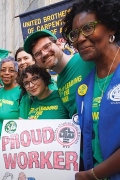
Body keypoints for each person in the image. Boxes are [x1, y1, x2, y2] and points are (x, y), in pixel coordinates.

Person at [62, 0, 120, 179]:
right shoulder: (83, 89)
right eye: (74, 34)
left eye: (88, 28)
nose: (80, 39)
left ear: (111, 28)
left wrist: (92, 175)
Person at [23, 29, 95, 118]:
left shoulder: (85, 60)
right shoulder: (60, 82)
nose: (44, 54)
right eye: (38, 54)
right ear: (36, 62)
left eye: (47, 46)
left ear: (59, 44)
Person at [0, 56, 20, 159]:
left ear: (16, 74)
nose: (7, 73)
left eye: (11, 70)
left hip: (15, 152)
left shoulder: (22, 93)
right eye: (3, 70)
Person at [14, 47, 57, 119]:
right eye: (19, 60)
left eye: (26, 58)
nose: (22, 62)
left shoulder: (46, 82)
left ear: (34, 60)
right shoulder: (21, 87)